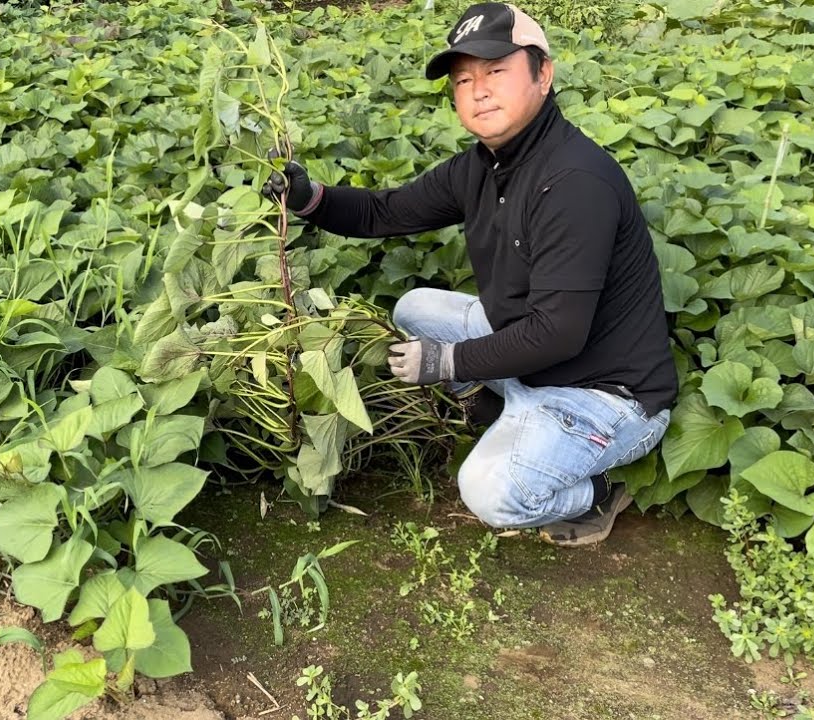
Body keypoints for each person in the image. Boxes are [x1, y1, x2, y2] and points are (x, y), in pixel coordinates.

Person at [262, 2, 679, 546]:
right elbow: (385, 212)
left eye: (497, 71)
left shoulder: (576, 183)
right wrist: (309, 198)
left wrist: (448, 361)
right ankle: (507, 411)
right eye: (463, 80)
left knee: (491, 492)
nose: (479, 91)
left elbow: (558, 332)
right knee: (416, 309)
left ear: (543, 74)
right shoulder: (483, 166)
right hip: (534, 357)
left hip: (604, 394)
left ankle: (596, 493)